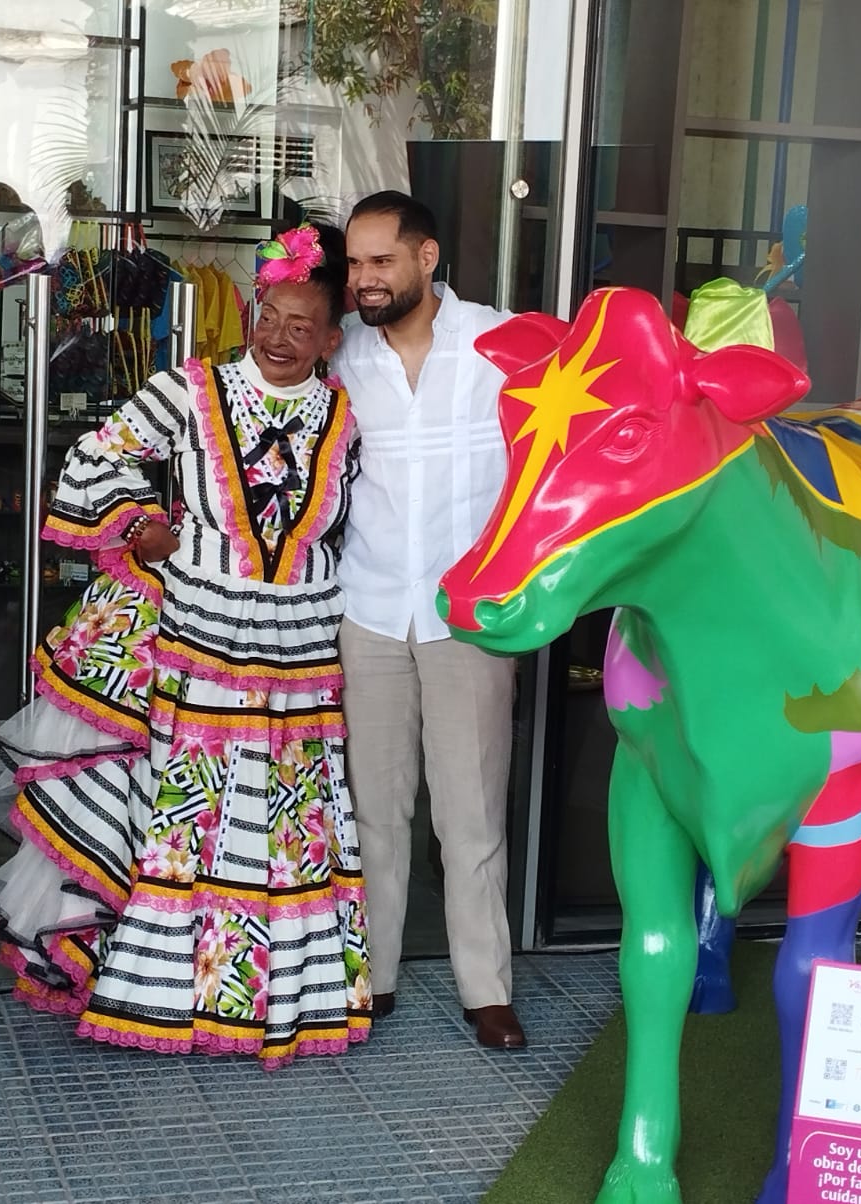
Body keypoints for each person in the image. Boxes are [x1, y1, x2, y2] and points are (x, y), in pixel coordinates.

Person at [0, 222, 372, 1066]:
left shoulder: (348, 412)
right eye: (267, 316)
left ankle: (277, 1004)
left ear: (331, 339)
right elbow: (95, 457)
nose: (275, 336)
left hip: (303, 646)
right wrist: (143, 525)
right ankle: (175, 998)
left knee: (285, 824)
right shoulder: (189, 389)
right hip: (199, 630)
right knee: (191, 816)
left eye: (300, 326)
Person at [331, 191, 525, 1050]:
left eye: (380, 261)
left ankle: (487, 990)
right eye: (354, 263)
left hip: (466, 618)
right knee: (375, 808)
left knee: (471, 815)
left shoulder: (499, 344)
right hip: (367, 610)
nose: (364, 280)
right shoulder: (343, 358)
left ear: (426, 257)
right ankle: (372, 980)